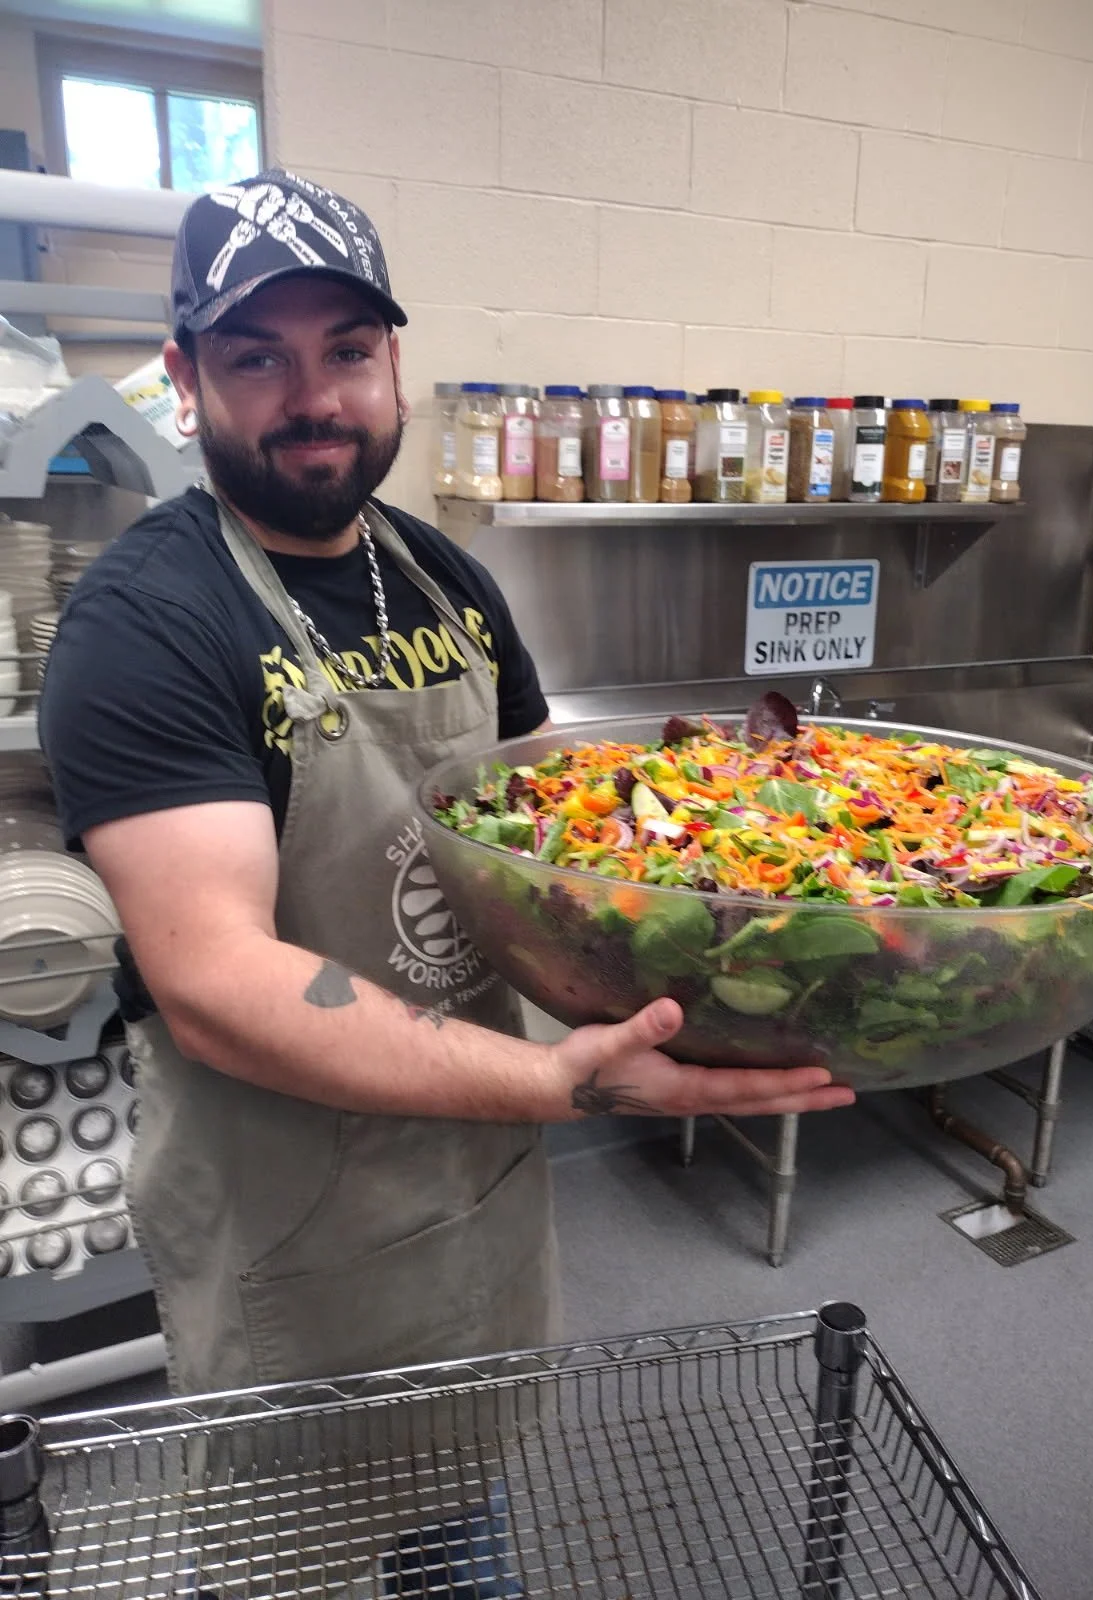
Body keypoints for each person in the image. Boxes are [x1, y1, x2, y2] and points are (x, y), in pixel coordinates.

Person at [40, 170, 855, 1405]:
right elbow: (212, 979)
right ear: (187, 375)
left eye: (347, 350)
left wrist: (770, 886)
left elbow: (556, 845)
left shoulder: (446, 580)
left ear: (394, 367)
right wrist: (554, 1078)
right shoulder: (147, 620)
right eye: (258, 359)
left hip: (478, 1148)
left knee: (470, 1487)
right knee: (299, 1554)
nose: (315, 399)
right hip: (292, 1191)